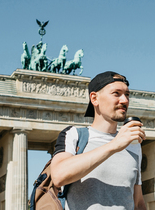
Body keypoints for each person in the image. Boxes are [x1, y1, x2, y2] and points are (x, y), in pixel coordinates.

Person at [51, 71, 147, 210]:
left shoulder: (133, 145)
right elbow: (59, 176)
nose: (125, 100)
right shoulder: (74, 135)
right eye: (116, 93)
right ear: (94, 98)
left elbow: (138, 202)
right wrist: (114, 145)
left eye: (127, 94)